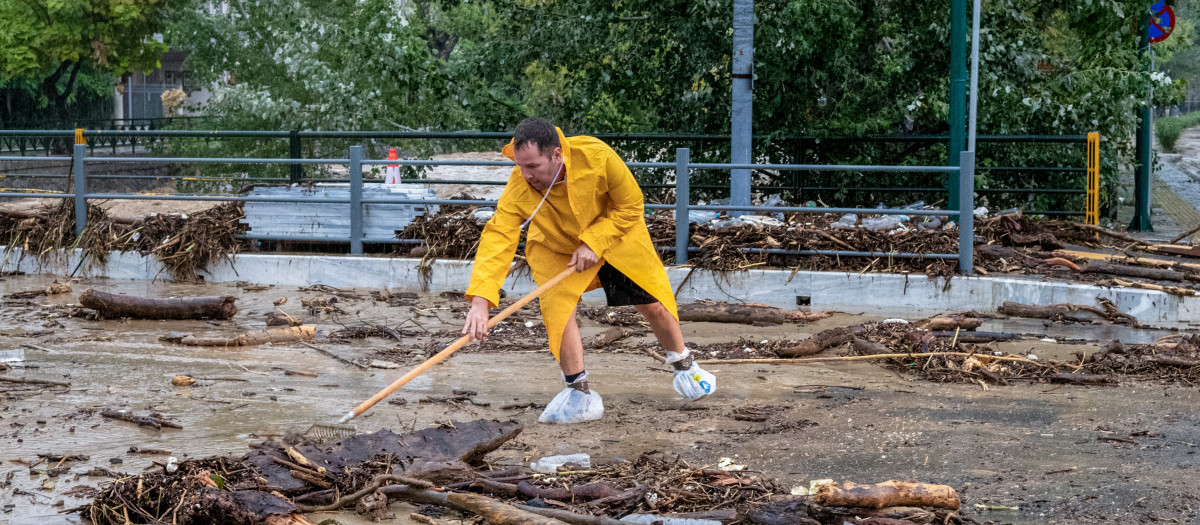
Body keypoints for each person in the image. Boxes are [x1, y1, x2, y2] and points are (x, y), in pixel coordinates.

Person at [460, 117, 715, 423]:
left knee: (652, 303)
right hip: (557, 249)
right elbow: (499, 234)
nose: (525, 175)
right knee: (559, 309)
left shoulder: (598, 156)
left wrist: (595, 242)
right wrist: (480, 301)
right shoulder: (520, 183)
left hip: (615, 238)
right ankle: (578, 391)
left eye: (532, 167)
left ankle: (685, 366)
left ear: (557, 155)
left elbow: (631, 205)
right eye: (520, 166)